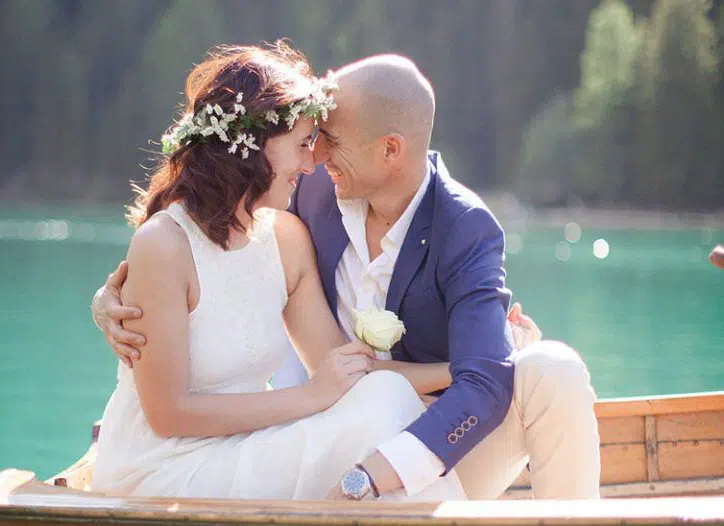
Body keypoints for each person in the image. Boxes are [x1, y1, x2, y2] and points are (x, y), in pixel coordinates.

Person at [94, 53, 600, 501]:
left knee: (544, 371)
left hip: (433, 434)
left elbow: (438, 380)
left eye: (326, 141)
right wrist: (110, 300)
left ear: (389, 150)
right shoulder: (305, 193)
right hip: (240, 439)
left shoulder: (462, 228)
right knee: (380, 402)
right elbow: (202, 248)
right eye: (307, 142)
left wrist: (480, 364)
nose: (314, 158)